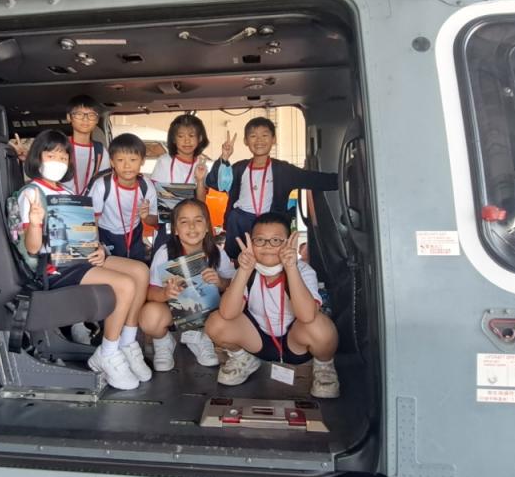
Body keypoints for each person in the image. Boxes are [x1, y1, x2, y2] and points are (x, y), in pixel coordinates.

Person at [12, 130, 151, 390]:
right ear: (38, 157)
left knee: (140, 272)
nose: (58, 161)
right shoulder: (31, 193)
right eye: (51, 155)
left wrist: (98, 249)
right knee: (125, 285)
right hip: (53, 266)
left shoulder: (65, 191)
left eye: (63, 157)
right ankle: (107, 353)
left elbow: (83, 231)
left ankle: (127, 342)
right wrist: (35, 222)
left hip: (78, 257)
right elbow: (33, 248)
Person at [203, 211, 340, 398]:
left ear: (288, 243)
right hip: (256, 342)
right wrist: (244, 271)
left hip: (295, 343)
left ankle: (324, 367)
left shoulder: (303, 270)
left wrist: (291, 268)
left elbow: (307, 316)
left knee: (321, 326)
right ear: (251, 243)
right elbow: (227, 313)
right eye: (260, 240)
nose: (267, 246)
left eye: (276, 240)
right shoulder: (247, 271)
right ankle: (243, 359)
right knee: (215, 322)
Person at [206, 117, 338, 261]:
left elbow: (314, 179)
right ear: (245, 141)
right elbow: (214, 183)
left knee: (272, 262)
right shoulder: (239, 168)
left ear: (274, 139)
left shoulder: (283, 170)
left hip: (272, 225)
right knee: (239, 262)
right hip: (241, 224)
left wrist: (344, 177)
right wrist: (224, 158)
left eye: (265, 135)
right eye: (253, 136)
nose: (259, 140)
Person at [139, 198, 232, 371]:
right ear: (175, 229)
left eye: (198, 220)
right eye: (184, 222)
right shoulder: (165, 253)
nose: (192, 227)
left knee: (231, 308)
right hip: (175, 313)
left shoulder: (216, 252)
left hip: (209, 315)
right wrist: (165, 293)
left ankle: (202, 338)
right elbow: (150, 291)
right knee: (149, 316)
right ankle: (163, 342)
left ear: (207, 226)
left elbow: (233, 286)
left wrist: (220, 282)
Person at [89, 133, 159, 262]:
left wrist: (146, 217)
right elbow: (91, 221)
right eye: (120, 160)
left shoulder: (146, 186)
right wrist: (95, 245)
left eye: (133, 160)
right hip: (106, 234)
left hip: (134, 234)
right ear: (112, 162)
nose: (127, 166)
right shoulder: (102, 186)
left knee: (139, 267)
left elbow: (154, 220)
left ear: (142, 161)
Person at [151, 114, 211, 204]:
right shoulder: (164, 161)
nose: (187, 141)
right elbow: (152, 193)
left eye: (191, 136)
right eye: (181, 136)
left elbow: (201, 203)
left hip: (191, 212)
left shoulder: (201, 166)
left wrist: (200, 181)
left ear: (200, 138)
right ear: (173, 139)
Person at [65, 94, 106, 197]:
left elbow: (104, 182)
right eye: (79, 114)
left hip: (90, 204)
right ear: (69, 117)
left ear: (97, 120)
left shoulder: (100, 151)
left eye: (91, 115)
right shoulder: (59, 146)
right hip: (61, 202)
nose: (85, 119)